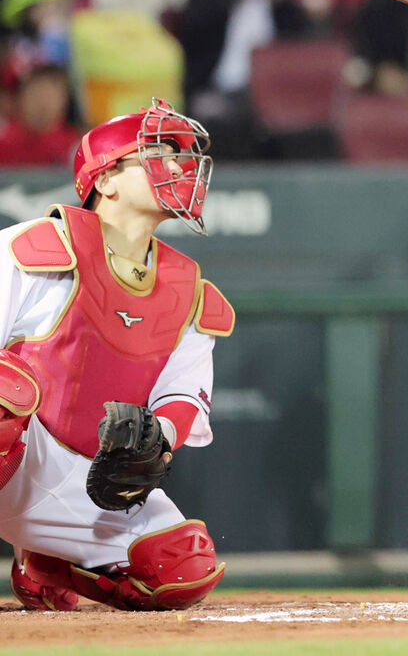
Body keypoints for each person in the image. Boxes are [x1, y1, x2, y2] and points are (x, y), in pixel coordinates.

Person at [0, 99, 234, 610]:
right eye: (155, 152)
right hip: (16, 455)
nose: (178, 166)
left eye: (180, 155)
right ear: (105, 181)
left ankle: (50, 561)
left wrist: (156, 438)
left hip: (87, 479)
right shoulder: (32, 249)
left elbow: (180, 397)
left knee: (182, 568)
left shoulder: (188, 289)